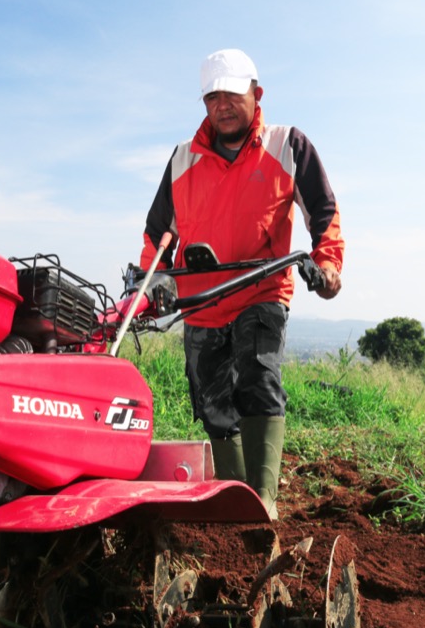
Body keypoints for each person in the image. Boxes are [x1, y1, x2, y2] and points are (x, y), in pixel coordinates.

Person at [138, 48, 344, 519]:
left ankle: (264, 503)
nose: (222, 106)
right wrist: (152, 281)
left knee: (257, 375)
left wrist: (327, 265)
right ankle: (236, 502)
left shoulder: (287, 145)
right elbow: (158, 233)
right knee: (212, 400)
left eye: (232, 95)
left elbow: (323, 212)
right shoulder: (183, 158)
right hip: (201, 298)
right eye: (212, 98)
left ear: (257, 94)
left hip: (261, 288)